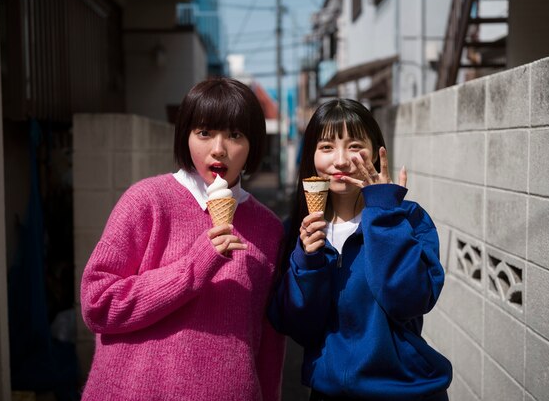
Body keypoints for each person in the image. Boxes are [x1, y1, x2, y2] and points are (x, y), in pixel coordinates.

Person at [80, 77, 285, 400]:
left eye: (235, 135)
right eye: (204, 133)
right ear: (185, 136)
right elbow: (98, 304)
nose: (218, 149)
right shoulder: (147, 201)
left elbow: (270, 345)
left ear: (253, 145)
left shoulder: (269, 229)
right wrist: (193, 267)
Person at [269, 99, 452, 401]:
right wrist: (307, 261)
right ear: (310, 156)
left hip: (406, 392)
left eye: (354, 145)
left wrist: (384, 216)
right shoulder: (299, 229)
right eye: (326, 147)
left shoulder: (408, 218)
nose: (340, 160)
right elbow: (299, 328)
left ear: (377, 151)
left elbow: (409, 301)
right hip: (328, 393)